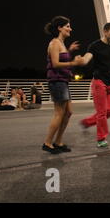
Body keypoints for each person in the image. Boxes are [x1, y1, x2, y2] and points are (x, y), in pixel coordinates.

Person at [80, 23, 110, 148]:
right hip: (99, 82)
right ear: (105, 31)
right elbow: (86, 58)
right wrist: (81, 60)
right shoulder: (95, 45)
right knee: (102, 112)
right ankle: (101, 138)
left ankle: (87, 122)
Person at [43, 16, 82, 154]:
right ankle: (47, 143)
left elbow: (62, 58)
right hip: (57, 81)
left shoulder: (62, 43)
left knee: (68, 112)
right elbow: (55, 63)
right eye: (67, 26)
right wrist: (74, 63)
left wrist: (70, 51)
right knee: (59, 113)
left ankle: (58, 141)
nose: (70, 29)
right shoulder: (54, 43)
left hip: (63, 81)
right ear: (60, 28)